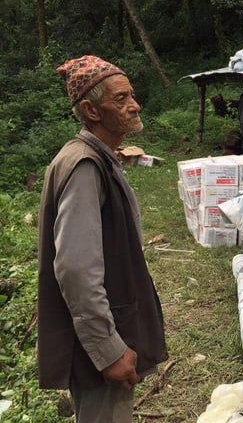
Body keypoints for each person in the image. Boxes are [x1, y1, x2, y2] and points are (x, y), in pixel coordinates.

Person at [38, 55, 168, 422]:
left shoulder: (99, 156)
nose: (134, 105)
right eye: (121, 98)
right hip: (99, 343)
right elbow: (76, 269)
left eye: (132, 95)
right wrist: (108, 350)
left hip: (108, 327)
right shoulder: (83, 166)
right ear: (91, 110)